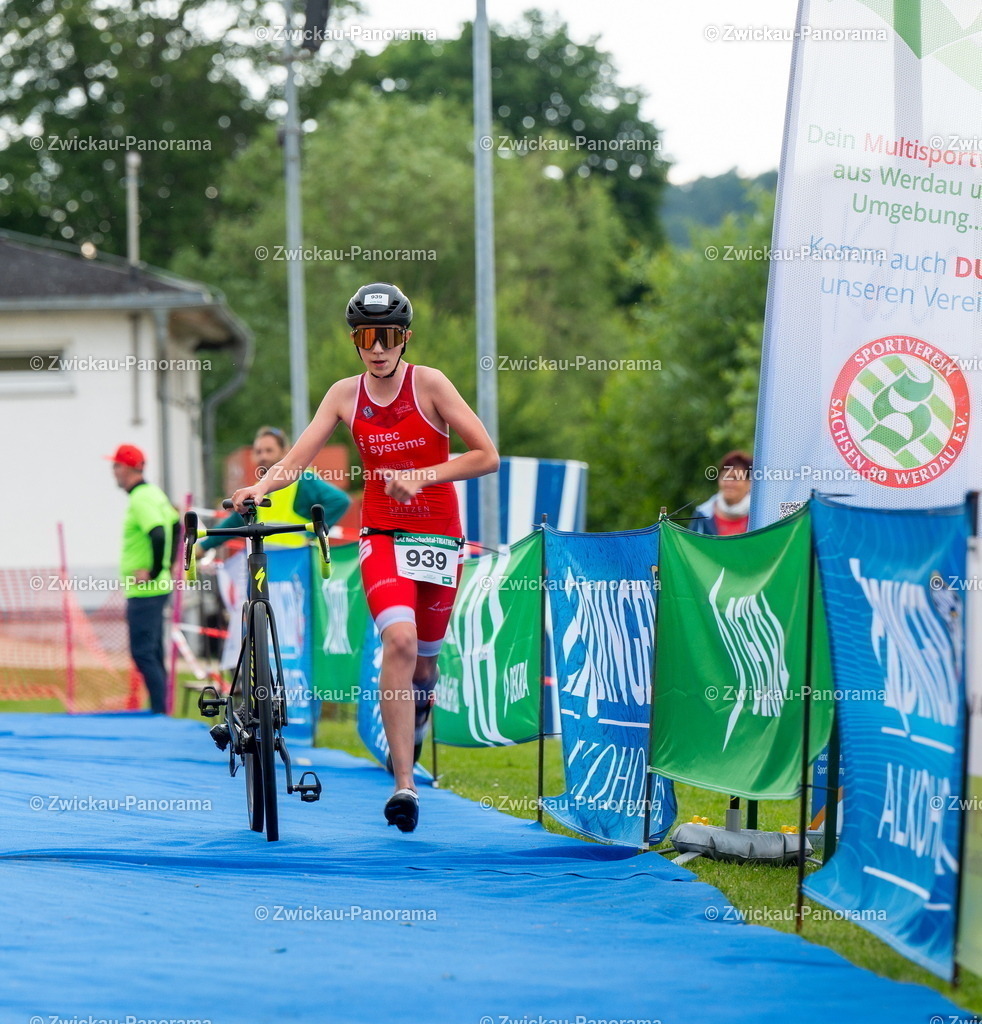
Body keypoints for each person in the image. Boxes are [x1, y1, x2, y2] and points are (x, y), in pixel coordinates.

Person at [230, 282, 499, 833]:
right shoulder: (343, 395)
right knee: (397, 642)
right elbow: (297, 458)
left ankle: (418, 713)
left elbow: (485, 455)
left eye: (388, 337)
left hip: (439, 539)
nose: (378, 348)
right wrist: (260, 488)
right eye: (367, 337)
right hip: (381, 536)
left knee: (424, 664)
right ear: (355, 341)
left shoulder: (431, 385)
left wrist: (422, 475)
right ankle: (404, 785)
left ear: (405, 339)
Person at [106, 443, 180, 714]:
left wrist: (155, 570)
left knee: (143, 653)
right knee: (154, 651)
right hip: (154, 589)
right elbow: (176, 523)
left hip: (146, 591)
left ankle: (160, 711)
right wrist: (168, 566)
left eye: (115, 466)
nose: (113, 472)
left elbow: (159, 532)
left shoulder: (141, 498)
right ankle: (161, 710)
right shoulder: (154, 494)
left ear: (125, 468)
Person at [198, 425, 350, 554]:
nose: (263, 456)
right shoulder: (259, 488)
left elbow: (340, 501)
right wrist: (202, 547)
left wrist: (312, 532)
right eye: (258, 451)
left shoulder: (302, 479)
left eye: (269, 450)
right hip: (267, 565)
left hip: (299, 564)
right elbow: (235, 522)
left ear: (285, 452)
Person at [691, 450, 753, 535]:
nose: (729, 483)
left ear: (749, 483)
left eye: (735, 478)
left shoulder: (760, 515)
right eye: (725, 477)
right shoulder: (702, 514)